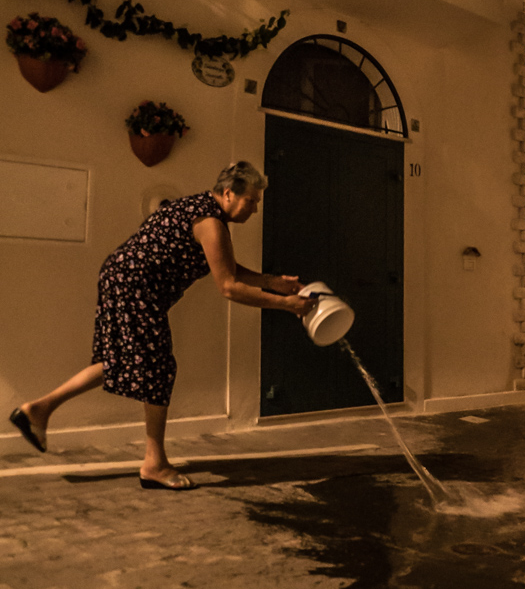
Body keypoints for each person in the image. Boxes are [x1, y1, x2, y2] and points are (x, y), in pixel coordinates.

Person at [9, 161, 315, 490]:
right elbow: (228, 286)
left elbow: (225, 265)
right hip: (136, 287)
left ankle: (38, 410)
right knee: (158, 368)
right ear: (228, 193)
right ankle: (154, 464)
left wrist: (272, 282)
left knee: (117, 361)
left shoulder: (199, 208)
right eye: (251, 200)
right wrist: (286, 304)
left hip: (120, 277)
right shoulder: (210, 222)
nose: (254, 209)